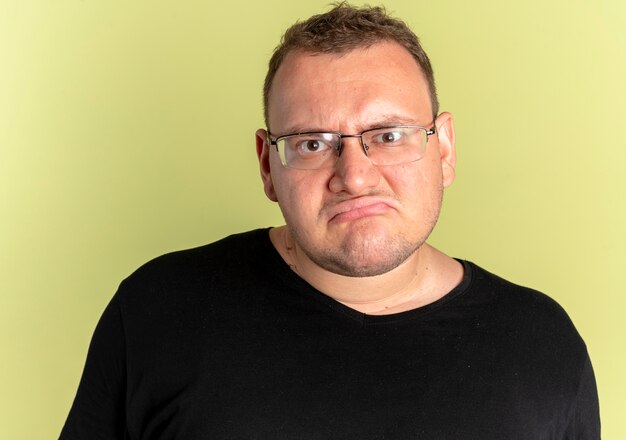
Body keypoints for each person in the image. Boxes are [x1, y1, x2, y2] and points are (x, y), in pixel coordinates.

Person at [60, 3, 600, 439]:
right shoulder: (156, 312)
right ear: (268, 165)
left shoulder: (541, 344)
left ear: (445, 149)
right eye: (312, 143)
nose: (356, 177)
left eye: (388, 135)